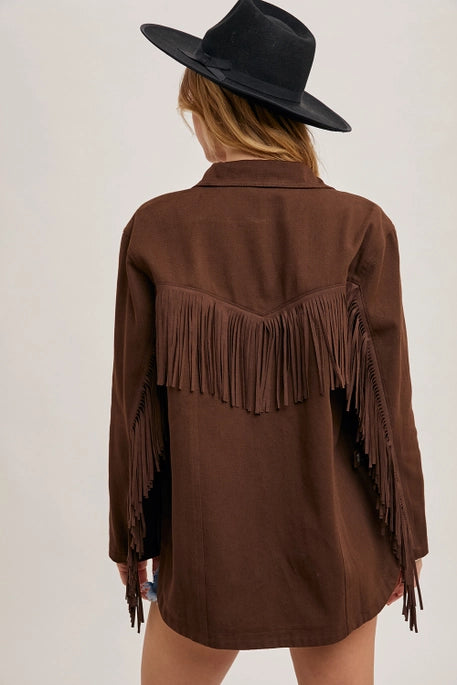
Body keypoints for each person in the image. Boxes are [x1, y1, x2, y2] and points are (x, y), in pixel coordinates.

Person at [108, 2, 429, 684]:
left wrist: (131, 538)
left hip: (204, 552)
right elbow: (387, 407)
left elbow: (135, 412)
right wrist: (406, 537)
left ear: (207, 108)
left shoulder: (156, 228)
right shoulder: (359, 226)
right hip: (337, 547)